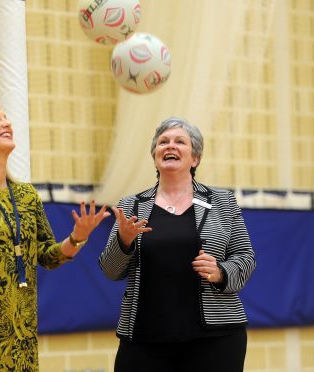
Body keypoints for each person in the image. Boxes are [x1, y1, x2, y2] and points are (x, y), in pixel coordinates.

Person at [0, 100, 110, 372]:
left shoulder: (27, 196)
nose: (6, 123)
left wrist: (77, 237)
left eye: (5, 117)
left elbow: (47, 256)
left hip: (23, 334)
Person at [99, 116, 256, 372]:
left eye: (179, 141)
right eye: (163, 142)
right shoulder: (132, 205)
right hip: (145, 337)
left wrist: (221, 272)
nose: (170, 146)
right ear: (155, 156)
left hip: (215, 338)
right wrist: (124, 241)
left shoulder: (222, 201)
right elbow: (110, 270)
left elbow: (245, 257)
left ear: (195, 158)